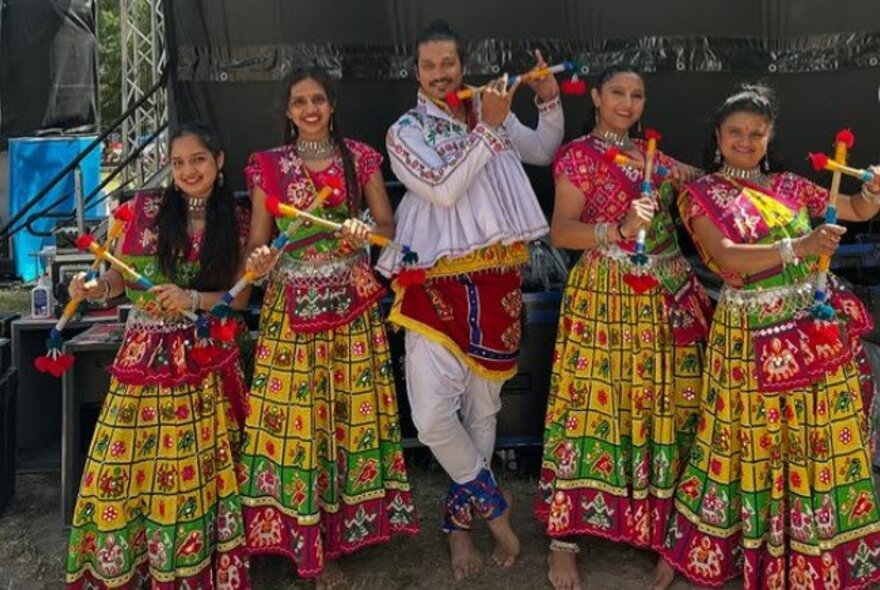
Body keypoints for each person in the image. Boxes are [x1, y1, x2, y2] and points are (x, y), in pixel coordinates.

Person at [655, 84, 880, 589]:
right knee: (752, 443)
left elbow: (853, 209)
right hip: (750, 333)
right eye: (735, 131)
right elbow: (726, 256)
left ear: (769, 136)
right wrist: (799, 247)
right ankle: (753, 549)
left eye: (756, 133)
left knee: (813, 438)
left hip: (810, 328)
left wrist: (871, 193)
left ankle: (813, 551)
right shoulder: (700, 195)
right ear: (718, 136)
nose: (745, 141)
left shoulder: (790, 185)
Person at [376, 20, 563, 581]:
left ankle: (459, 529)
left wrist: (547, 99)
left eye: (448, 64)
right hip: (434, 279)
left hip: (498, 278)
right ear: (416, 72)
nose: (440, 74)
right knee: (433, 416)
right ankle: (496, 510)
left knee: (483, 411)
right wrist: (491, 129)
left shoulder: (488, 107)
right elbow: (441, 189)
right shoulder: (405, 130)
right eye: (429, 66)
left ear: (462, 65)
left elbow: (543, 149)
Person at [533, 66, 712, 590]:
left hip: (663, 298)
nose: (627, 103)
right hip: (604, 297)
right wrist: (619, 228)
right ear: (595, 96)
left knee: (664, 407)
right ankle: (565, 539)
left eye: (636, 95)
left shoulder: (656, 157)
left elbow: (708, 192)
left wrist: (694, 178)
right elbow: (561, 231)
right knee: (591, 407)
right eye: (617, 92)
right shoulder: (578, 156)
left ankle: (664, 531)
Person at [240, 66, 419, 589]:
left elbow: (387, 226)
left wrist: (366, 231)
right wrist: (260, 263)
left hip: (351, 307)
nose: (310, 109)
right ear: (288, 111)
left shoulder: (359, 157)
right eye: (299, 102)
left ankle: (342, 535)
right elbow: (258, 242)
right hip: (290, 312)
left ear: (332, 105)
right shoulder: (268, 166)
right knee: (299, 423)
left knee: (345, 418)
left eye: (318, 99)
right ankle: (302, 536)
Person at [65, 123, 251, 588]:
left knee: (187, 472)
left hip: (201, 357)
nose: (188, 171)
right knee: (121, 463)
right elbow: (117, 282)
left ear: (219, 161)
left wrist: (191, 299)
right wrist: (91, 288)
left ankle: (188, 567)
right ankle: (127, 566)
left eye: (199, 160)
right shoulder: (145, 209)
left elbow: (240, 298)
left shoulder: (238, 220)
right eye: (178, 162)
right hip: (142, 356)